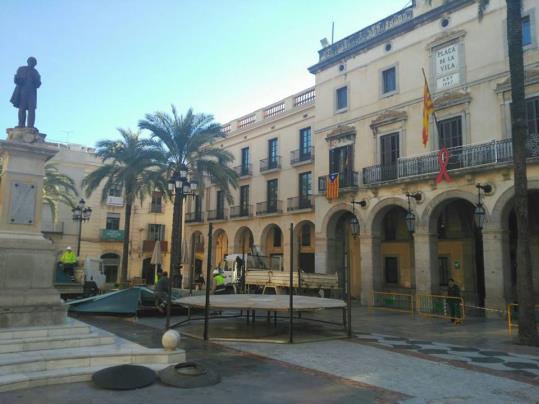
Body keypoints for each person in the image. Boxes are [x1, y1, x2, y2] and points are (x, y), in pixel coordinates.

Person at [10, 57, 41, 128]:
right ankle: (21, 125)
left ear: (35, 64)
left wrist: (36, 80)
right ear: (28, 62)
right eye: (31, 61)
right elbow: (16, 80)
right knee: (22, 108)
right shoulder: (21, 69)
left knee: (31, 109)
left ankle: (30, 126)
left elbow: (38, 84)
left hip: (32, 93)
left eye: (33, 62)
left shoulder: (36, 73)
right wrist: (17, 79)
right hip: (22, 91)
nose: (32, 63)